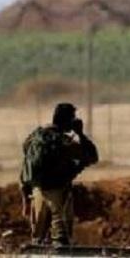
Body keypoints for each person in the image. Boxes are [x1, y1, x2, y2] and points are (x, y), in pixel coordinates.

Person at [20, 103, 99, 246]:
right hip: (57, 193)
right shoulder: (63, 142)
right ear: (68, 121)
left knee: (38, 241)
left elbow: (26, 157)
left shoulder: (34, 137)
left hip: (36, 192)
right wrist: (80, 134)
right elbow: (92, 156)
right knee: (61, 241)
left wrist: (25, 197)